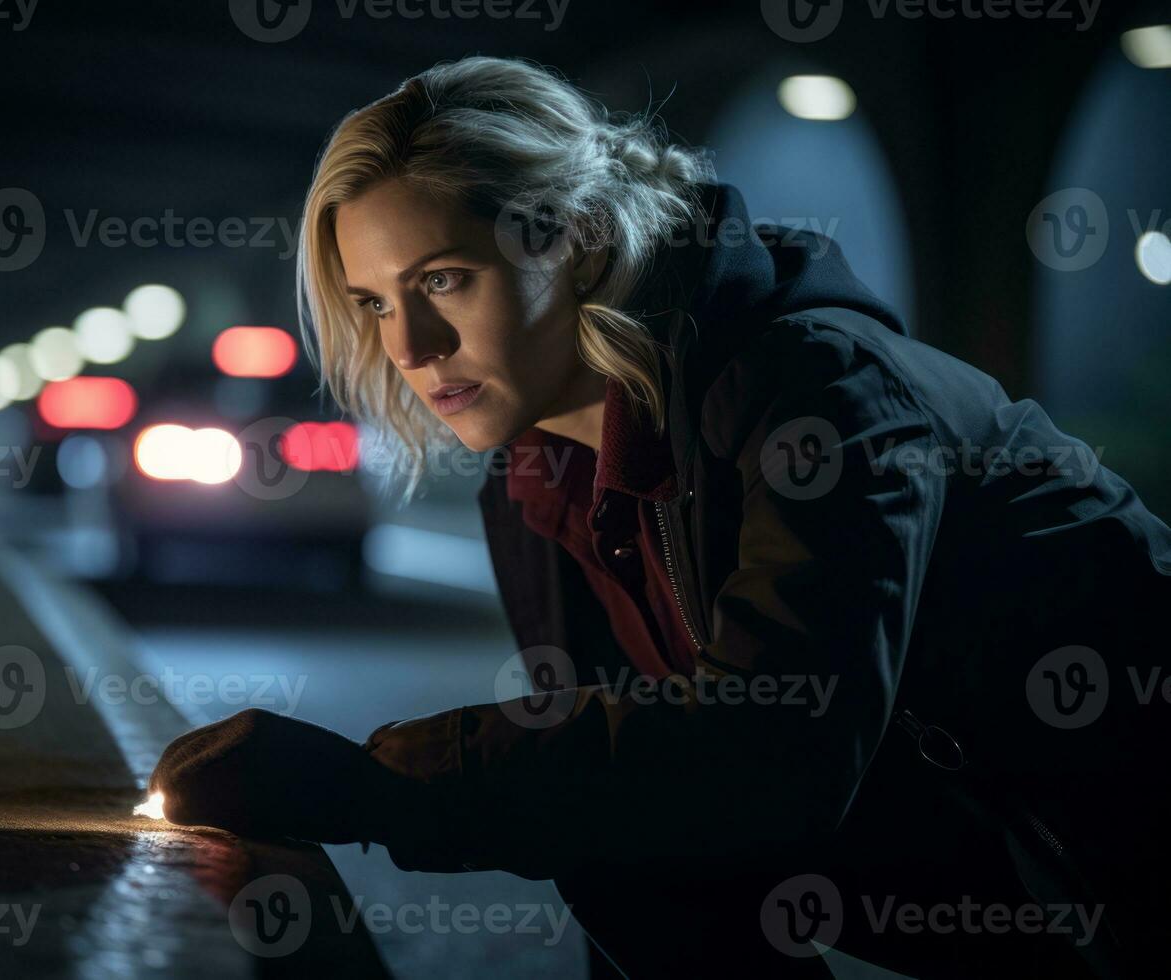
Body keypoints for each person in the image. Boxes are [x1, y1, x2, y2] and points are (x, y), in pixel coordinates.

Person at [149, 55, 1171, 978]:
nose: (409, 343)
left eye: (444, 280)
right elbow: (615, 785)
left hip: (1108, 854)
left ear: (580, 245)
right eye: (371, 301)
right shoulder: (537, 472)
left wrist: (373, 782)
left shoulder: (812, 390)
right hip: (980, 850)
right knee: (610, 827)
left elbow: (778, 750)